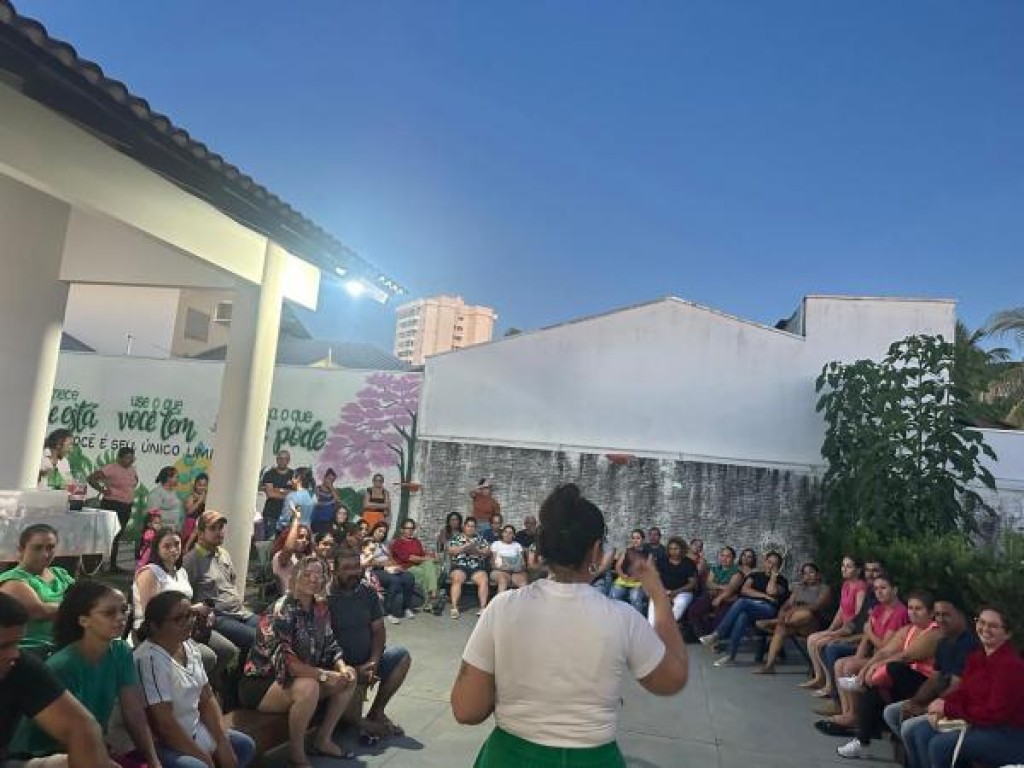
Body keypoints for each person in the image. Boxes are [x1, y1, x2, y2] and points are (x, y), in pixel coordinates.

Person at [450, 483, 688, 767]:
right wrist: (658, 594)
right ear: (596, 550)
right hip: (594, 759)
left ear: (543, 545)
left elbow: (466, 709)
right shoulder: (622, 617)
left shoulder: (503, 608)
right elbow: (671, 680)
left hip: (509, 756)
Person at [8, 581, 161, 768]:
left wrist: (154, 761)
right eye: (109, 613)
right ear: (83, 620)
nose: (121, 618)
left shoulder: (121, 651)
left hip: (91, 747)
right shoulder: (63, 665)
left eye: (124, 610)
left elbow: (133, 711)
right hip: (46, 755)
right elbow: (70, 734)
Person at [241, 557, 357, 765]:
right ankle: (297, 754)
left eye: (319, 574)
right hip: (264, 681)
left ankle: (323, 739)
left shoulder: (320, 608)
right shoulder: (281, 610)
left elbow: (331, 644)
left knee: (350, 676)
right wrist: (324, 675)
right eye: (307, 574)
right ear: (294, 577)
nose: (313, 579)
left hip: (301, 677)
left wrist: (341, 667)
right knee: (309, 687)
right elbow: (289, 664)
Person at [134, 591, 255, 768]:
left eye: (190, 614)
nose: (189, 621)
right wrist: (204, 758)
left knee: (244, 746)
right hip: (166, 743)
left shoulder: (188, 646)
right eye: (178, 619)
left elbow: (206, 698)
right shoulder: (149, 660)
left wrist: (223, 744)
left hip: (196, 729)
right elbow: (164, 726)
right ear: (155, 626)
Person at [904, 606, 1024, 768]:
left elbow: (995, 714)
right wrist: (940, 706)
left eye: (993, 626)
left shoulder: (1011, 666)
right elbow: (963, 692)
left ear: (1007, 634)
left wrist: (948, 709)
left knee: (940, 746)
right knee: (918, 732)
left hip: (1007, 734)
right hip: (978, 723)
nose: (985, 629)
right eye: (981, 622)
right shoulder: (977, 657)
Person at [0, 592, 110, 768]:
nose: (14, 654)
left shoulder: (21, 667)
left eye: (17, 643)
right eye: (3, 646)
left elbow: (82, 727)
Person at [836, 590, 939, 759]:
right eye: (910, 608)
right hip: (904, 682)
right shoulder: (908, 630)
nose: (913, 612)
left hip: (926, 685)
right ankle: (861, 742)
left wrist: (877, 668)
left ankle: (864, 684)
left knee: (894, 668)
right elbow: (885, 651)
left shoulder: (934, 633)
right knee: (873, 692)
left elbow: (906, 656)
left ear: (931, 613)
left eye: (918, 609)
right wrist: (866, 669)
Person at [133, 527, 237, 689]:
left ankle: (202, 687)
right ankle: (190, 690)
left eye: (177, 544)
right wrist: (194, 610)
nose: (173, 549)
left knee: (227, 650)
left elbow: (187, 601)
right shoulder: (150, 573)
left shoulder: (180, 571)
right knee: (208, 657)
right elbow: (151, 612)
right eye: (167, 546)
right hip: (159, 629)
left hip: (187, 625)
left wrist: (203, 612)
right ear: (157, 548)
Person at [328, 546, 412, 743]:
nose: (353, 572)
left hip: (368, 661)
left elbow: (378, 630)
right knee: (350, 720)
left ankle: (376, 712)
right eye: (347, 568)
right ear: (334, 570)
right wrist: (353, 670)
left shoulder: (367, 592)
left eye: (356, 567)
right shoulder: (325, 599)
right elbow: (324, 645)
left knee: (401, 656)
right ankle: (364, 723)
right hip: (342, 668)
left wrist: (374, 661)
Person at [882, 601, 978, 765]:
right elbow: (936, 677)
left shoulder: (969, 645)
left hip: (957, 706)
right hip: (939, 700)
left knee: (910, 728)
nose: (940, 619)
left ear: (961, 616)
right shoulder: (943, 642)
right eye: (937, 614)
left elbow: (956, 687)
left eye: (946, 615)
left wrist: (925, 708)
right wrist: (915, 702)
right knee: (891, 712)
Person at [814, 573, 908, 736]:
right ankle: (847, 710)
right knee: (841, 664)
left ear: (895, 590)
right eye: (876, 589)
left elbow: (884, 646)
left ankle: (855, 715)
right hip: (874, 654)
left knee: (849, 666)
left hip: (888, 658)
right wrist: (858, 656)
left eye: (883, 588)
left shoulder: (900, 612)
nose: (879, 592)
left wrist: (868, 631)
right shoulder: (878, 609)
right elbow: (866, 639)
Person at [183, 511, 259, 653]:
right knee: (256, 638)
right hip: (218, 617)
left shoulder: (223, 554)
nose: (219, 532)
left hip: (240, 613)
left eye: (221, 528)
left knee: (270, 631)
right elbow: (185, 597)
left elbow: (232, 582)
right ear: (200, 533)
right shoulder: (191, 560)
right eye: (213, 528)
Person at [700, 550, 790, 666]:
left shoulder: (782, 581)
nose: (770, 565)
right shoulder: (755, 576)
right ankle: (730, 656)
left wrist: (774, 576)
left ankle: (717, 635)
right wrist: (764, 596)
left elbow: (771, 591)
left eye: (774, 564)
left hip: (768, 610)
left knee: (742, 602)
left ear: (779, 567)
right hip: (750, 606)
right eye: (769, 562)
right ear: (764, 562)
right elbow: (745, 590)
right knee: (742, 616)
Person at [0, 525, 74, 655]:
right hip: (33, 650)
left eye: (50, 547)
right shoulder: (12, 580)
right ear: (21, 549)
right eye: (37, 548)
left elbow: (88, 598)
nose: (45, 554)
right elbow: (40, 612)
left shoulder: (60, 574)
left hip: (67, 643)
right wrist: (77, 606)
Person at [802, 556, 868, 690]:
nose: (844, 569)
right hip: (843, 628)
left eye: (848, 566)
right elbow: (841, 610)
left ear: (858, 570)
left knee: (820, 643)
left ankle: (829, 684)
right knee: (812, 639)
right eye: (843, 565)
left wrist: (839, 632)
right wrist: (831, 629)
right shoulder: (846, 585)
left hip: (852, 631)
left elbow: (858, 615)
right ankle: (819, 677)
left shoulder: (860, 587)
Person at [754, 561, 832, 674]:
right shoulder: (799, 588)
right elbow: (787, 604)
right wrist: (782, 611)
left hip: (813, 623)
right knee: (781, 629)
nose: (808, 575)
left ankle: (773, 622)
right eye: (805, 573)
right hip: (793, 622)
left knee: (806, 614)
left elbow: (816, 606)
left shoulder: (824, 588)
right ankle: (769, 666)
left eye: (811, 572)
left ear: (818, 574)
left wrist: (793, 610)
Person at [87, 446, 140, 573]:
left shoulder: (132, 469)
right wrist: (103, 490)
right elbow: (91, 478)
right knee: (107, 535)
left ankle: (112, 565)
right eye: (127, 457)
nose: (130, 460)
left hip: (126, 505)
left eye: (132, 458)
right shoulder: (111, 468)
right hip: (112, 504)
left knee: (118, 534)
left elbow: (134, 482)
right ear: (120, 458)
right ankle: (97, 565)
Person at [366, 522, 416, 624]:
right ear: (374, 530)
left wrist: (396, 566)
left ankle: (406, 607)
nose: (381, 534)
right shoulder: (368, 542)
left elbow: (391, 558)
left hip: (388, 568)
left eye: (384, 533)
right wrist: (384, 564)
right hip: (375, 570)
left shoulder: (383, 545)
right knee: (394, 580)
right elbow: (369, 561)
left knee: (409, 577)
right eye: (379, 531)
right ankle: (387, 612)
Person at [390, 519, 441, 613]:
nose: (410, 530)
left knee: (431, 565)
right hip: (406, 567)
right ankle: (432, 597)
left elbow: (422, 554)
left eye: (412, 528)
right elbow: (410, 558)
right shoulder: (398, 543)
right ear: (402, 529)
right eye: (407, 528)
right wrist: (427, 559)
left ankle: (432, 594)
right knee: (425, 571)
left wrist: (432, 557)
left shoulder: (416, 541)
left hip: (419, 565)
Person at [687, 546, 740, 636]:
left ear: (733, 558)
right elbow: (708, 584)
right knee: (693, 611)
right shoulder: (714, 569)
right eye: (722, 556)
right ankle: (701, 635)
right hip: (710, 596)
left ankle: (711, 637)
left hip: (726, 600)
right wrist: (722, 586)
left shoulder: (737, 573)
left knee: (718, 619)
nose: (724, 558)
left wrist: (719, 595)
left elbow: (730, 589)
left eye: (728, 556)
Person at [448, 516, 491, 619]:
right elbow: (451, 551)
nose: (470, 528)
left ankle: (482, 608)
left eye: (473, 526)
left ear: (475, 528)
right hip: (460, 565)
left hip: (476, 566)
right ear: (464, 527)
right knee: (457, 578)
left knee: (483, 579)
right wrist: (464, 547)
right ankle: (454, 608)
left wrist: (475, 550)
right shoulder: (456, 538)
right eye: (468, 526)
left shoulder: (480, 539)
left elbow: (487, 552)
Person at [648, 537, 697, 625]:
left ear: (682, 549)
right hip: (663, 590)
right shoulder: (662, 561)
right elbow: (656, 577)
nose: (673, 551)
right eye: (671, 549)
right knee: (654, 599)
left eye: (676, 549)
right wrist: (663, 591)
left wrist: (675, 592)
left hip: (682, 592)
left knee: (681, 602)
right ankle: (651, 626)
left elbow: (692, 583)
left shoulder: (689, 563)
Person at [609, 530, 649, 613]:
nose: (635, 540)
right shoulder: (627, 551)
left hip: (638, 582)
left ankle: (637, 619)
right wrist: (622, 575)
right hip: (623, 580)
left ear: (643, 539)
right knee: (614, 595)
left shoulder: (647, 554)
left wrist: (636, 578)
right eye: (633, 538)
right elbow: (618, 566)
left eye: (638, 538)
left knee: (634, 598)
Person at [271, 518, 314, 595]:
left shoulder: (306, 557)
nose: (304, 540)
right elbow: (289, 548)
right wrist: (296, 520)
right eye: (300, 537)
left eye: (307, 538)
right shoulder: (281, 556)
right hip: (288, 598)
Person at [260, 451, 294, 540]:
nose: (282, 461)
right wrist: (287, 493)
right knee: (269, 541)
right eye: (280, 458)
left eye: (285, 459)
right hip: (271, 514)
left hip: (287, 516)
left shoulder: (293, 475)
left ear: (289, 460)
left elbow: (295, 493)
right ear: (277, 459)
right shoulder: (269, 474)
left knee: (284, 542)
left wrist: (277, 490)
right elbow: (270, 494)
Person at [489, 525, 527, 594]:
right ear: (502, 534)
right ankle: (500, 600)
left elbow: (523, 564)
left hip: (516, 572)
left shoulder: (517, 545)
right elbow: (493, 563)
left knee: (523, 583)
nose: (507, 535)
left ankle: (523, 600)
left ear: (513, 535)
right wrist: (505, 568)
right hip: (499, 571)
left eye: (510, 533)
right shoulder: (496, 544)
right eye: (505, 532)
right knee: (503, 581)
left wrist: (517, 569)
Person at [278, 468, 315, 534]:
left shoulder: (292, 496)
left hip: (292, 531)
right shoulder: (313, 496)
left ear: (298, 478)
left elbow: (285, 518)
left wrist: (279, 527)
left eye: (293, 477)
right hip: (306, 532)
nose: (291, 480)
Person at [147, 468, 184, 532]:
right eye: (176, 477)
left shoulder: (173, 492)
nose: (178, 479)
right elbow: (153, 513)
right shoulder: (156, 493)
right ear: (168, 478)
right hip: (162, 531)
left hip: (173, 529)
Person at [180, 473, 208, 552]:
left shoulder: (209, 497)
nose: (202, 487)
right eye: (200, 485)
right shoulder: (191, 497)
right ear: (195, 485)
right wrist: (199, 501)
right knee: (187, 547)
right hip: (191, 525)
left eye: (204, 485)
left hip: (201, 527)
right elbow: (189, 511)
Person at [311, 469, 340, 537]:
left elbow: (337, 501)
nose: (330, 481)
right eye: (329, 479)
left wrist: (331, 487)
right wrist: (330, 502)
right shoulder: (317, 489)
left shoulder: (334, 491)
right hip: (316, 520)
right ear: (324, 477)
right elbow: (316, 503)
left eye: (332, 480)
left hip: (328, 521)